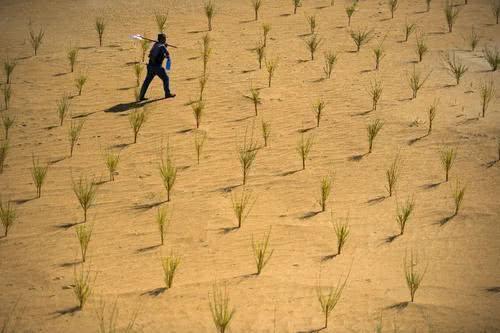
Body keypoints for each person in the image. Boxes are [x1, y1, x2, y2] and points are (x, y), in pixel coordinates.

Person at [138, 33, 176, 101]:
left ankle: (141, 96)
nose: (165, 40)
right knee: (165, 78)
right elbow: (167, 54)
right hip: (157, 67)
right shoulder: (162, 46)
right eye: (164, 39)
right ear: (162, 39)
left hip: (150, 66)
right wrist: (165, 47)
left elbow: (158, 52)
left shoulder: (155, 44)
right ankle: (167, 93)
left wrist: (164, 46)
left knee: (147, 81)